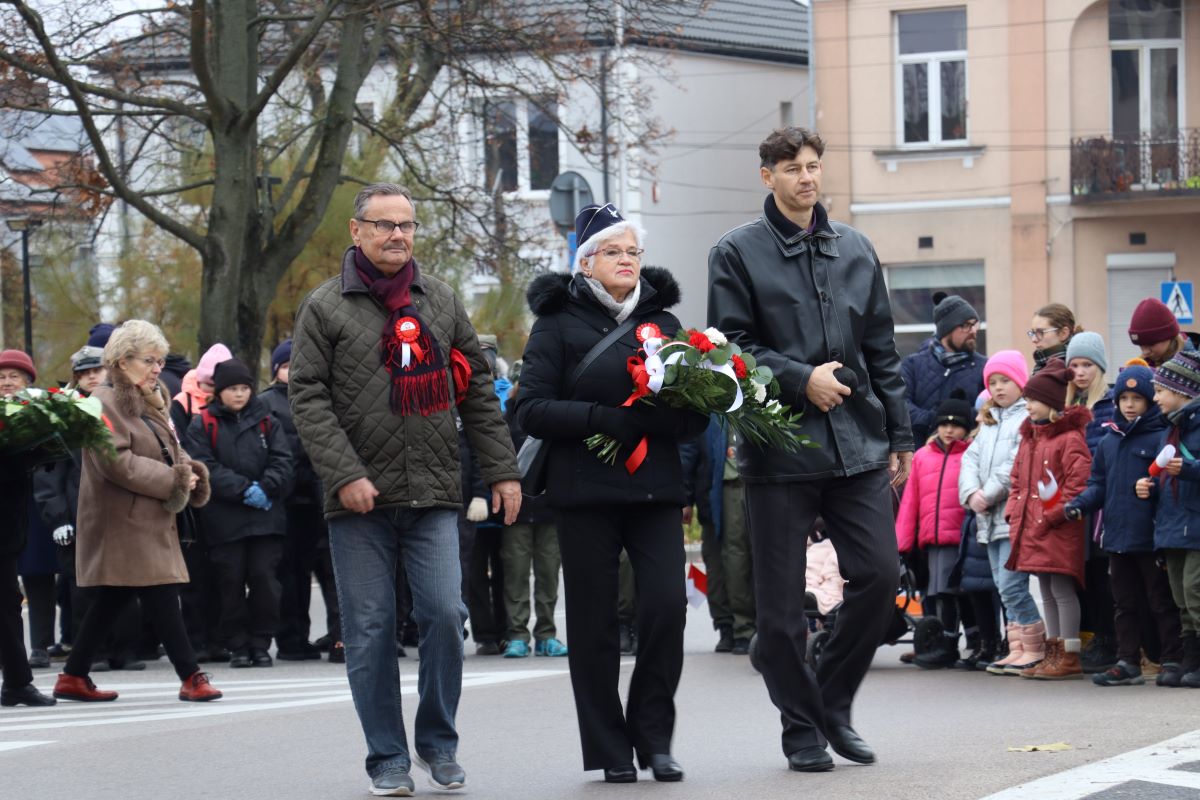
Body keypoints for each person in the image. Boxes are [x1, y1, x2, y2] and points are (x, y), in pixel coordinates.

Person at [290, 182, 521, 796]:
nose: (398, 235)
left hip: (434, 494)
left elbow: (475, 390)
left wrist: (502, 470)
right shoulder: (324, 307)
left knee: (445, 614)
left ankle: (439, 744)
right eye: (384, 224)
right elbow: (306, 397)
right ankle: (387, 759)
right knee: (369, 629)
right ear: (355, 230)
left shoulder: (440, 301)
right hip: (358, 502)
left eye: (407, 225)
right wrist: (344, 474)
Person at [708, 127, 914, 773]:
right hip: (780, 452)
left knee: (880, 578)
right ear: (767, 175)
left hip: (856, 444)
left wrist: (900, 435)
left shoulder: (855, 247)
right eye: (793, 167)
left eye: (813, 166)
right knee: (778, 615)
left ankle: (830, 703)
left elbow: (882, 350)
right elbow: (730, 347)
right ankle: (802, 729)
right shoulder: (736, 252)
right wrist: (802, 378)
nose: (806, 178)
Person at [518, 201, 706, 783]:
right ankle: (609, 748)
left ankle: (654, 738)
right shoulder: (556, 323)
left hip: (654, 491)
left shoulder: (666, 325)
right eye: (614, 252)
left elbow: (697, 412)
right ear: (585, 262)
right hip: (586, 493)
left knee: (665, 611)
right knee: (595, 624)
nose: (626, 261)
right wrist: (606, 418)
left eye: (633, 252)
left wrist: (668, 417)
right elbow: (530, 409)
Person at [52, 320, 222, 703]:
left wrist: (189, 471)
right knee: (161, 591)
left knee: (114, 597)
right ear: (123, 360)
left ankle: (73, 676)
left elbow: (168, 448)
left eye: (160, 360)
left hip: (144, 516)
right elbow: (116, 461)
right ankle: (191, 676)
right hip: (122, 519)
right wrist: (174, 479)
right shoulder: (103, 400)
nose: (158, 367)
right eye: (150, 359)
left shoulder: (149, 396)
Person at [1066, 364, 1182, 686]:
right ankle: (1127, 661)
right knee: (1124, 604)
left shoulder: (1162, 436)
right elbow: (1098, 483)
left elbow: (1168, 485)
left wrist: (1154, 488)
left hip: (1149, 536)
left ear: (1149, 401)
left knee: (1161, 602)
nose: (1129, 404)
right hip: (1116, 536)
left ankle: (1171, 658)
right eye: (1124, 398)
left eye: (1137, 398)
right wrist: (1079, 504)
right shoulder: (1108, 440)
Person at [186, 358, 293, 668]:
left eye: (244, 388)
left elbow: (284, 461)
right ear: (219, 392)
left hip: (266, 518)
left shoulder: (267, 422)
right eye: (232, 388)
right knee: (229, 581)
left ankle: (261, 642)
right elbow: (204, 465)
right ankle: (237, 644)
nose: (239, 394)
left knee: (264, 580)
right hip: (224, 519)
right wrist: (243, 489)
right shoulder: (203, 423)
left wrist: (267, 487)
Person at [1004, 359, 1092, 680]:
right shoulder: (1030, 439)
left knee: (1061, 589)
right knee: (1046, 589)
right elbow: (1017, 481)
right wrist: (1014, 510)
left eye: (1033, 399)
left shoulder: (1069, 439)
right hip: (1034, 528)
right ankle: (1052, 652)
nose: (1027, 405)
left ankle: (1068, 655)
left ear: (1052, 403)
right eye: (1027, 399)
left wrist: (1053, 514)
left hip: (1057, 527)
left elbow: (1077, 484)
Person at [958, 351, 1042, 675]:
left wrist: (987, 493)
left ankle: (1034, 646)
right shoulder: (989, 420)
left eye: (1005, 380)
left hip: (1010, 516)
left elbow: (1014, 465)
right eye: (992, 382)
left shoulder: (1025, 419)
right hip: (986, 518)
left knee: (1011, 584)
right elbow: (970, 459)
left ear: (1020, 381)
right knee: (999, 582)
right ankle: (1017, 647)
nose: (998, 387)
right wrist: (970, 493)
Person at [260, 339, 340, 662]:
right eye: (287, 365)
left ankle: (333, 637)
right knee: (287, 574)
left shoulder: (321, 397)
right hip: (284, 499)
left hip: (318, 497)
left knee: (319, 572)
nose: (293, 371)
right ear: (276, 370)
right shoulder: (266, 403)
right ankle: (291, 638)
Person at [895, 393, 973, 669]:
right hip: (929, 539)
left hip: (958, 538)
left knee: (955, 593)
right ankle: (929, 641)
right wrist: (902, 541)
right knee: (930, 591)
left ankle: (958, 643)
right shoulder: (923, 457)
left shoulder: (969, 454)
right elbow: (910, 503)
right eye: (944, 424)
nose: (949, 430)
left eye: (956, 425)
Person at [1137, 351, 1200, 688]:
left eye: (1160, 390)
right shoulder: (1170, 431)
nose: (1156, 397)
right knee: (1180, 598)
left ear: (1183, 391)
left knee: (1196, 592)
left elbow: (1187, 471)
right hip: (1174, 526)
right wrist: (1149, 488)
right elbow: (1166, 480)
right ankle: (1190, 660)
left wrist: (1188, 469)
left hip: (1196, 527)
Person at [0, 349, 56, 707]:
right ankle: (18, 682)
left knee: (6, 604)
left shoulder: (31, 417)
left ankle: (17, 683)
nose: (6, 382)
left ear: (28, 383)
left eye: (14, 377)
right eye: (1, 377)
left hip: (8, 528)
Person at [1064, 332, 1118, 674]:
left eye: (1087, 365)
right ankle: (1087, 637)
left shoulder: (1111, 405)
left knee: (1101, 574)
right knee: (1077, 574)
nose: (1081, 372)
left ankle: (1107, 637)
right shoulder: (1066, 408)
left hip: (1101, 503)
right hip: (1071, 503)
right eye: (1074, 365)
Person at [500, 380, 566, 659]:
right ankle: (517, 635)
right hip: (516, 511)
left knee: (548, 575)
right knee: (515, 576)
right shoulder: (507, 420)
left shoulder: (552, 415)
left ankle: (546, 634)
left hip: (550, 510)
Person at [900, 292, 986, 446]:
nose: (973, 331)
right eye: (966, 325)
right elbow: (900, 405)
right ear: (947, 329)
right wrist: (935, 420)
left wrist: (958, 418)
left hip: (966, 459)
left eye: (975, 324)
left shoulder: (984, 367)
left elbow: (988, 408)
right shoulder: (912, 365)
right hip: (920, 457)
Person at [1128, 297, 1200, 368]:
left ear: (1169, 336)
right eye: (1141, 345)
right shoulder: (1141, 367)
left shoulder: (1196, 366)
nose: (1145, 352)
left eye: (1151, 344)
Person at [1028, 304, 1080, 375]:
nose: (1034, 339)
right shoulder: (1040, 366)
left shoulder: (1074, 368)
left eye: (1040, 332)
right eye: (1033, 333)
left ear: (1063, 333)